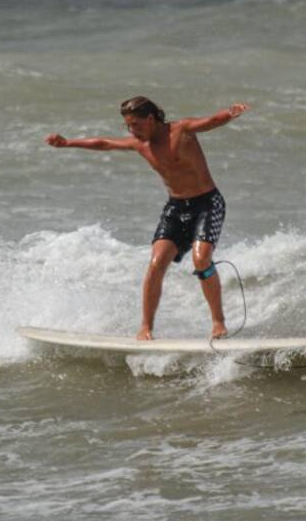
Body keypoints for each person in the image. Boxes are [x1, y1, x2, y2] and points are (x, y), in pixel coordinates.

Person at [46, 96, 249, 340]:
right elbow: (104, 143)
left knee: (201, 259)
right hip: (175, 208)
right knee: (156, 263)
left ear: (151, 119)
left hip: (207, 204)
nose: (132, 131)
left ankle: (218, 322)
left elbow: (210, 121)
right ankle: (146, 327)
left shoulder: (181, 130)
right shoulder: (139, 144)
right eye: (128, 126)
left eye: (136, 124)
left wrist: (229, 113)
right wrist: (67, 143)